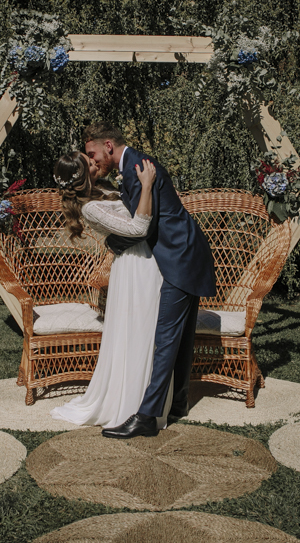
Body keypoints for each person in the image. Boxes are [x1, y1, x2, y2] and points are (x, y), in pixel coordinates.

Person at [83, 122, 216, 439]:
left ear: (108, 147)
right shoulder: (132, 167)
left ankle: (146, 416)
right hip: (185, 252)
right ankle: (178, 404)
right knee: (181, 336)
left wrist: (117, 243)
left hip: (179, 257)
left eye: (92, 153)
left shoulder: (138, 168)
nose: (91, 160)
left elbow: (144, 224)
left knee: (165, 338)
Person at [49, 150, 172, 430]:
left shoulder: (104, 190)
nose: (97, 163)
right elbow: (139, 227)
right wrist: (148, 185)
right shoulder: (90, 208)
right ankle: (131, 405)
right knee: (137, 333)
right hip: (134, 268)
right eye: (91, 163)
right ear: (82, 177)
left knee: (147, 331)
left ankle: (150, 401)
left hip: (147, 262)